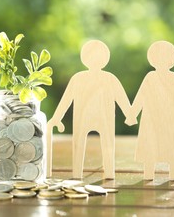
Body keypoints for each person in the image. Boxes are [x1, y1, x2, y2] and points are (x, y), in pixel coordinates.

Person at [48, 40, 131, 179]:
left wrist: (130, 114)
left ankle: (102, 172)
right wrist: (130, 115)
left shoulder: (83, 78)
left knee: (104, 145)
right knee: (88, 144)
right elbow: (66, 99)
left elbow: (121, 97)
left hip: (97, 118)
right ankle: (88, 173)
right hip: (89, 118)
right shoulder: (105, 78)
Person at [126, 41, 174, 180]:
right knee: (152, 149)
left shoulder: (171, 78)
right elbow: (141, 97)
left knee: (171, 150)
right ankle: (150, 175)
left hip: (169, 121)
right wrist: (132, 114)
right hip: (154, 120)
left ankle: (172, 176)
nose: (161, 61)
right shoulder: (151, 77)